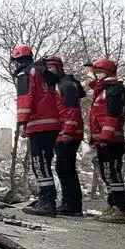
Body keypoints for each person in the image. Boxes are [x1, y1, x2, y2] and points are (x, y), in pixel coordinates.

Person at [13, 44, 62, 216]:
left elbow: (25, 99)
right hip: (52, 124)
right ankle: (45, 198)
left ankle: (47, 201)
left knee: (39, 164)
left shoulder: (25, 73)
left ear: (16, 60)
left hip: (39, 123)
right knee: (45, 162)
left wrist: (22, 123)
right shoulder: (43, 72)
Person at [87, 57, 125, 224]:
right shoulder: (105, 90)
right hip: (106, 140)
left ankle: (119, 208)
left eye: (95, 72)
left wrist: (105, 138)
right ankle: (114, 205)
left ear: (104, 73)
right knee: (108, 174)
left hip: (111, 141)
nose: (92, 75)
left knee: (112, 173)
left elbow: (112, 117)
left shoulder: (113, 91)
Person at [48, 56, 87, 217]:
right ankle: (68, 203)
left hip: (68, 134)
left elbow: (72, 110)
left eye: (51, 68)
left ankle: (72, 204)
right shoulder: (62, 84)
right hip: (64, 132)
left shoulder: (67, 85)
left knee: (66, 168)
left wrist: (67, 132)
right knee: (63, 168)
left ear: (58, 68)